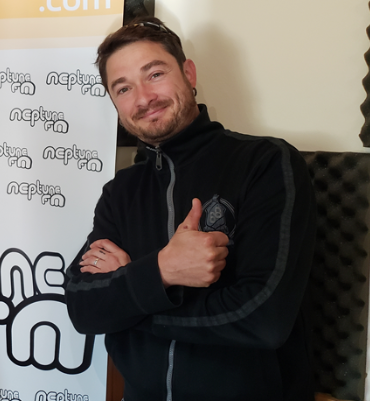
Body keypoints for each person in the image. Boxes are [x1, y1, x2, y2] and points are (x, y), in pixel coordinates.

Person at [64, 17, 316, 401]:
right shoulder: (121, 191)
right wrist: (163, 270)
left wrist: (132, 298)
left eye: (155, 74)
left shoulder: (266, 163)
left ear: (188, 73)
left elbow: (264, 320)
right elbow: (83, 307)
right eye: (123, 88)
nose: (143, 98)